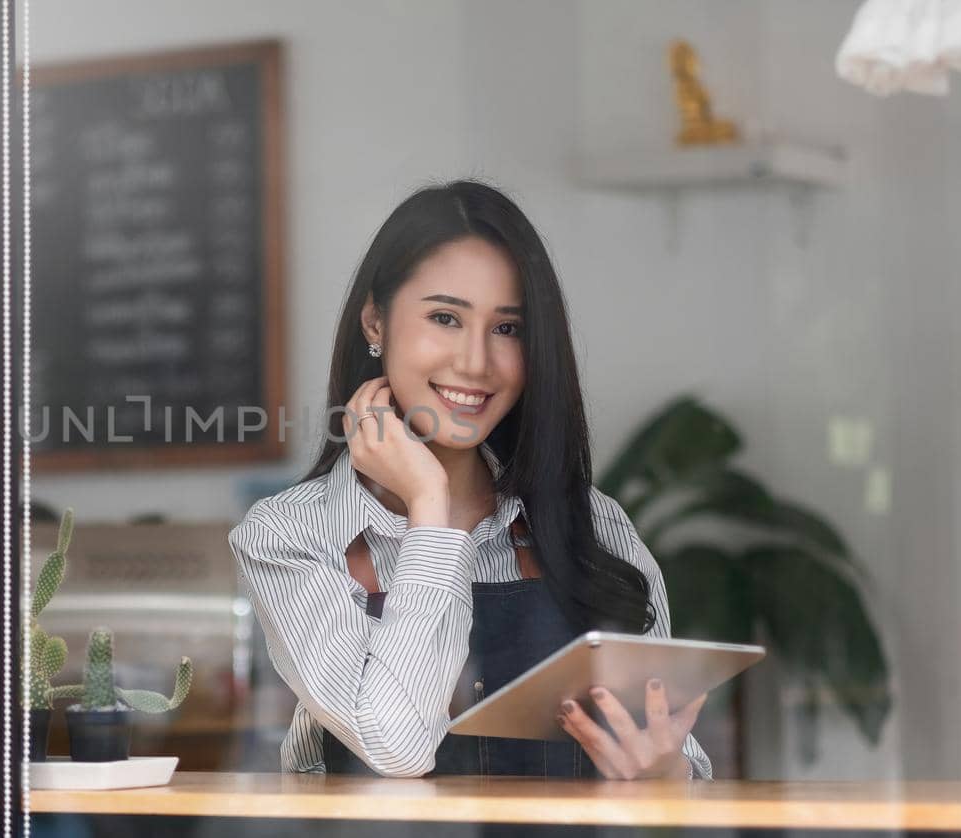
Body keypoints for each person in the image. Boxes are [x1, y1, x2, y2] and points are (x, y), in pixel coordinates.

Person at [228, 180, 712, 780]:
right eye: (445, 317)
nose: (476, 361)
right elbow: (397, 745)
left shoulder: (596, 527)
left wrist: (663, 776)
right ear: (375, 322)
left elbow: (684, 770)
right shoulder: (291, 535)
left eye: (507, 329)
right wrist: (430, 507)